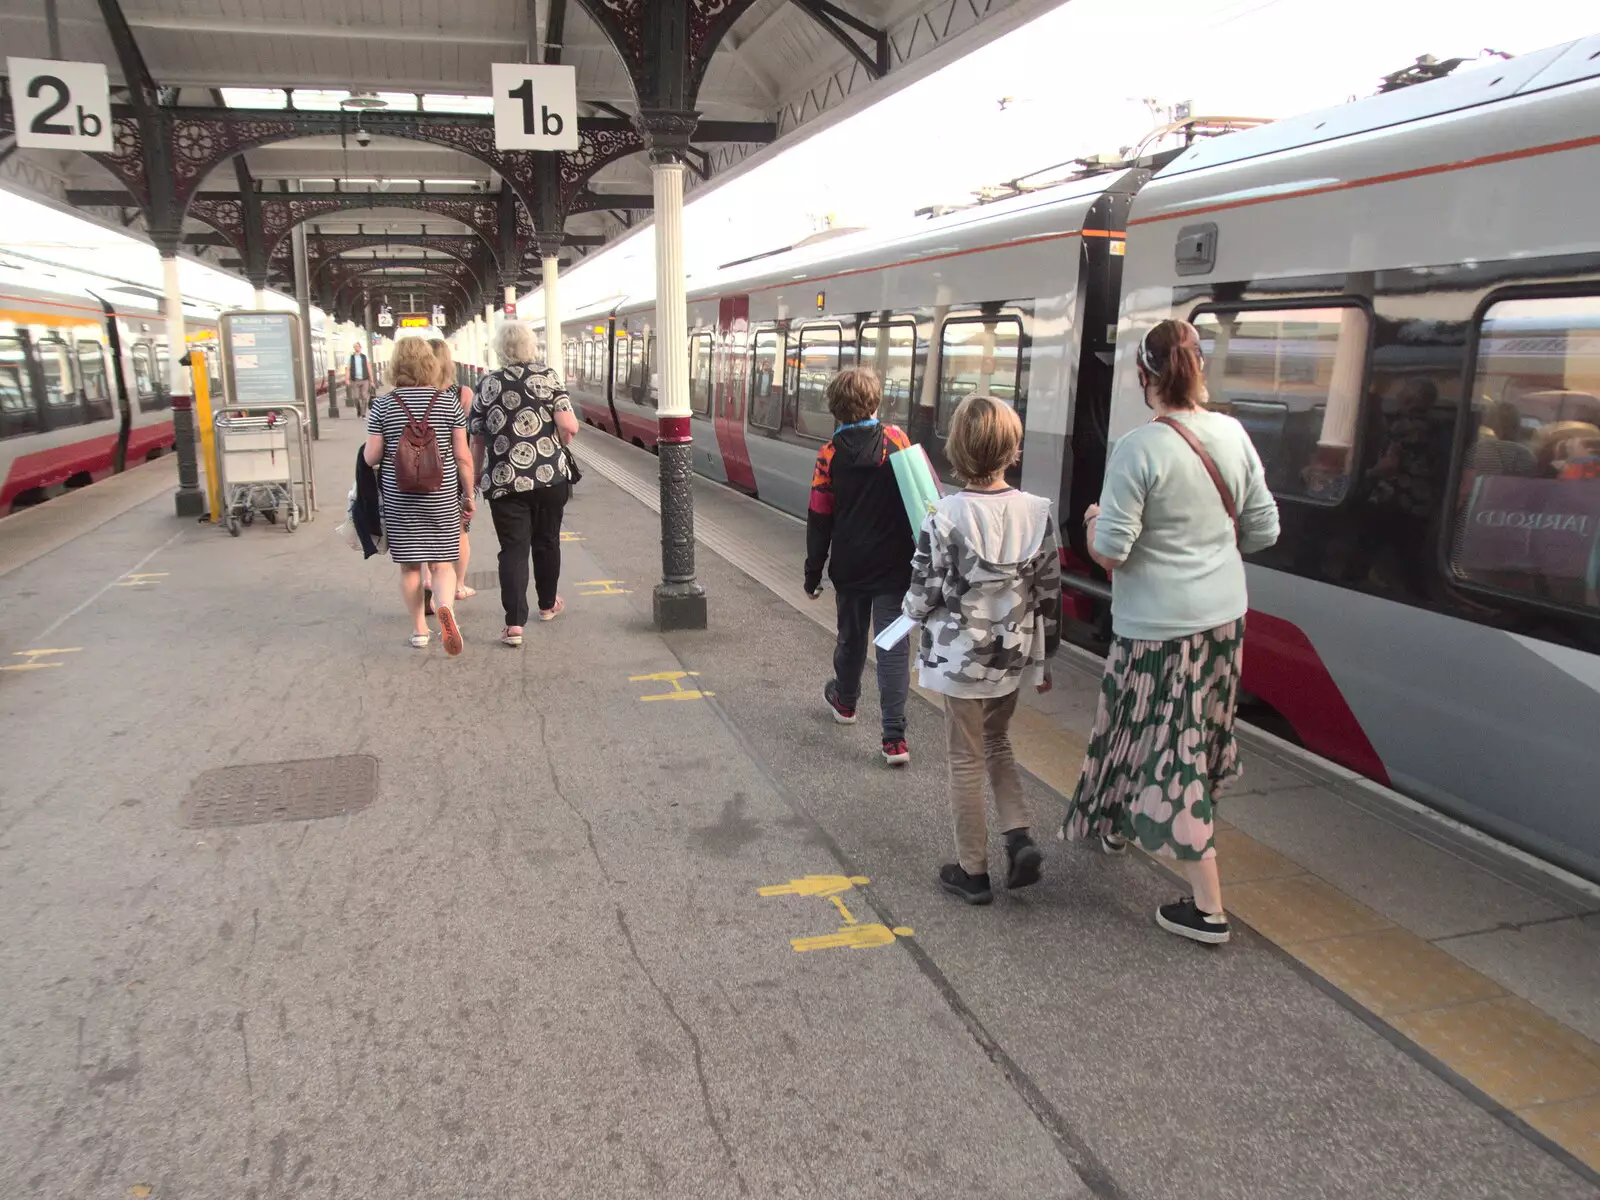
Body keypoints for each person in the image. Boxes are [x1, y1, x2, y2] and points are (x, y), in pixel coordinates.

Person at [1062, 319, 1280, 945]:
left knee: (1170, 749)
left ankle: (1209, 908)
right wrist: (1205, 540)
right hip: (1222, 622)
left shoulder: (1139, 448)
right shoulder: (1234, 435)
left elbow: (1110, 551)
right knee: (1159, 731)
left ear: (1142, 377)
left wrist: (1096, 518)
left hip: (1158, 630)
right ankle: (1115, 823)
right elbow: (1264, 531)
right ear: (1198, 370)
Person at [902, 394, 1061, 905]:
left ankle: (972, 870)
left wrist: (908, 615)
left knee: (964, 758)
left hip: (959, 660)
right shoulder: (1038, 513)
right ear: (1012, 451)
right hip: (1011, 658)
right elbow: (1048, 594)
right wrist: (1045, 659)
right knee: (998, 743)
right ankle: (1018, 836)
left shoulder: (943, 516)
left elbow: (923, 593)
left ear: (957, 451)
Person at [804, 367, 916, 766]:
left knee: (851, 638)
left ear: (834, 408)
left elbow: (820, 518)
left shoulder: (828, 455)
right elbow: (920, 496)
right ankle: (894, 739)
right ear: (876, 401)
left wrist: (812, 574)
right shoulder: (897, 441)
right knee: (893, 648)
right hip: (896, 568)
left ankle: (846, 703)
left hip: (850, 568)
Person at [469, 321, 579, 646]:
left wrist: (475, 476)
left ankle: (514, 625)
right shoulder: (547, 378)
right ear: (531, 347)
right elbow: (569, 425)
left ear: (500, 349)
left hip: (504, 481)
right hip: (550, 477)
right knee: (547, 541)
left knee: (513, 551)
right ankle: (547, 605)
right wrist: (560, 438)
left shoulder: (487, 384)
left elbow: (476, 437)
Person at [363, 337, 474, 654]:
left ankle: (419, 630)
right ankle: (446, 611)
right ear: (430, 363)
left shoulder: (382, 405)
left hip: (400, 496)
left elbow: (371, 457)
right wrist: (468, 495)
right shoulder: (447, 401)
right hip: (441, 494)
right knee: (442, 564)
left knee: (411, 568)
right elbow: (463, 456)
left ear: (395, 365)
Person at [425, 337, 477, 611]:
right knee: (459, 532)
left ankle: (428, 584)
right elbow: (465, 439)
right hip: (453, 473)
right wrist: (469, 491)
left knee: (423, 532)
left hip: (419, 472)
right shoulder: (462, 393)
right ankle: (457, 586)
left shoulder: (414, 391)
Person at [347, 342, 373, 416]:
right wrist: (347, 379)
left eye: (358, 346)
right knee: (356, 397)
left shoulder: (365, 357)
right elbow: (348, 369)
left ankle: (363, 413)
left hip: (365, 380)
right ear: (354, 348)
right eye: (355, 347)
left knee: (364, 396)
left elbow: (369, 368)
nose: (356, 348)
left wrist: (372, 380)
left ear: (360, 348)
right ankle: (358, 409)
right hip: (354, 380)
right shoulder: (350, 357)